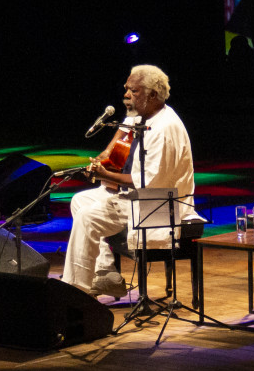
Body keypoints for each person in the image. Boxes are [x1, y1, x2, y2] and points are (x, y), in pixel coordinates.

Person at [61, 64, 200, 298]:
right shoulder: (149, 115)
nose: (126, 95)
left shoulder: (164, 129)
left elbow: (146, 183)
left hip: (158, 206)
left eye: (133, 91)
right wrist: (104, 158)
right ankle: (106, 272)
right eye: (126, 89)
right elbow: (124, 129)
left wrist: (104, 175)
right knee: (80, 200)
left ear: (152, 95)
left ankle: (77, 291)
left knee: (88, 217)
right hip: (140, 197)